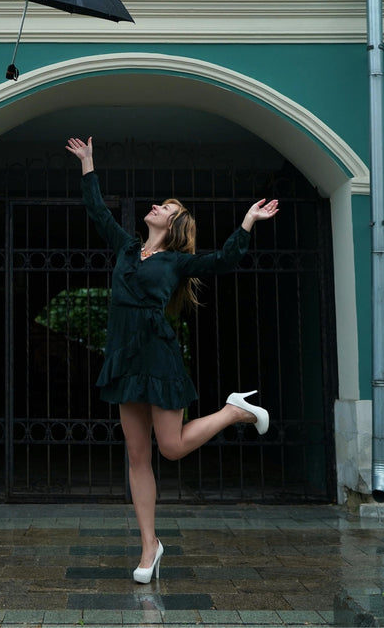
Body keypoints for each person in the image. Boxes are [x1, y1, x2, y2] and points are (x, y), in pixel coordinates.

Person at [64, 136, 279, 584]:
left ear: (176, 224)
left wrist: (247, 223)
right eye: (159, 204)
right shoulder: (126, 248)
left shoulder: (179, 262)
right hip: (124, 359)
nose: (157, 207)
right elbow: (98, 211)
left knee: (172, 448)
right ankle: (149, 546)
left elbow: (223, 261)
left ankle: (233, 410)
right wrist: (88, 164)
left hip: (159, 358)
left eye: (166, 207)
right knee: (137, 457)